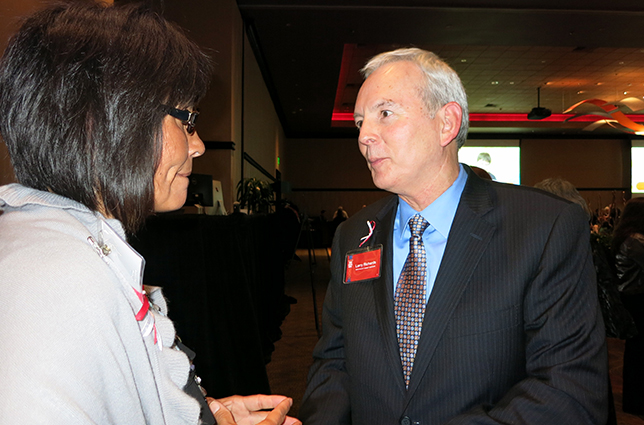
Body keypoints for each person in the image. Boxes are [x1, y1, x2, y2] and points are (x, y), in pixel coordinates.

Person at [0, 3, 299, 425]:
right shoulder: (54, 281)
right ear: (104, 119)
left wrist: (201, 414)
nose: (198, 146)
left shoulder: (70, 244)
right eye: (186, 119)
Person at [300, 48, 607, 424]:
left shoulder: (543, 227)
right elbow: (334, 362)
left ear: (446, 123)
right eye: (360, 122)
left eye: (385, 114)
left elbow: (568, 389)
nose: (364, 136)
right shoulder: (353, 236)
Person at [612, 197, 644, 415]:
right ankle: (636, 401)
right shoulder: (635, 241)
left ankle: (635, 400)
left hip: (632, 298)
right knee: (638, 352)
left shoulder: (627, 237)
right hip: (638, 300)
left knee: (636, 351)